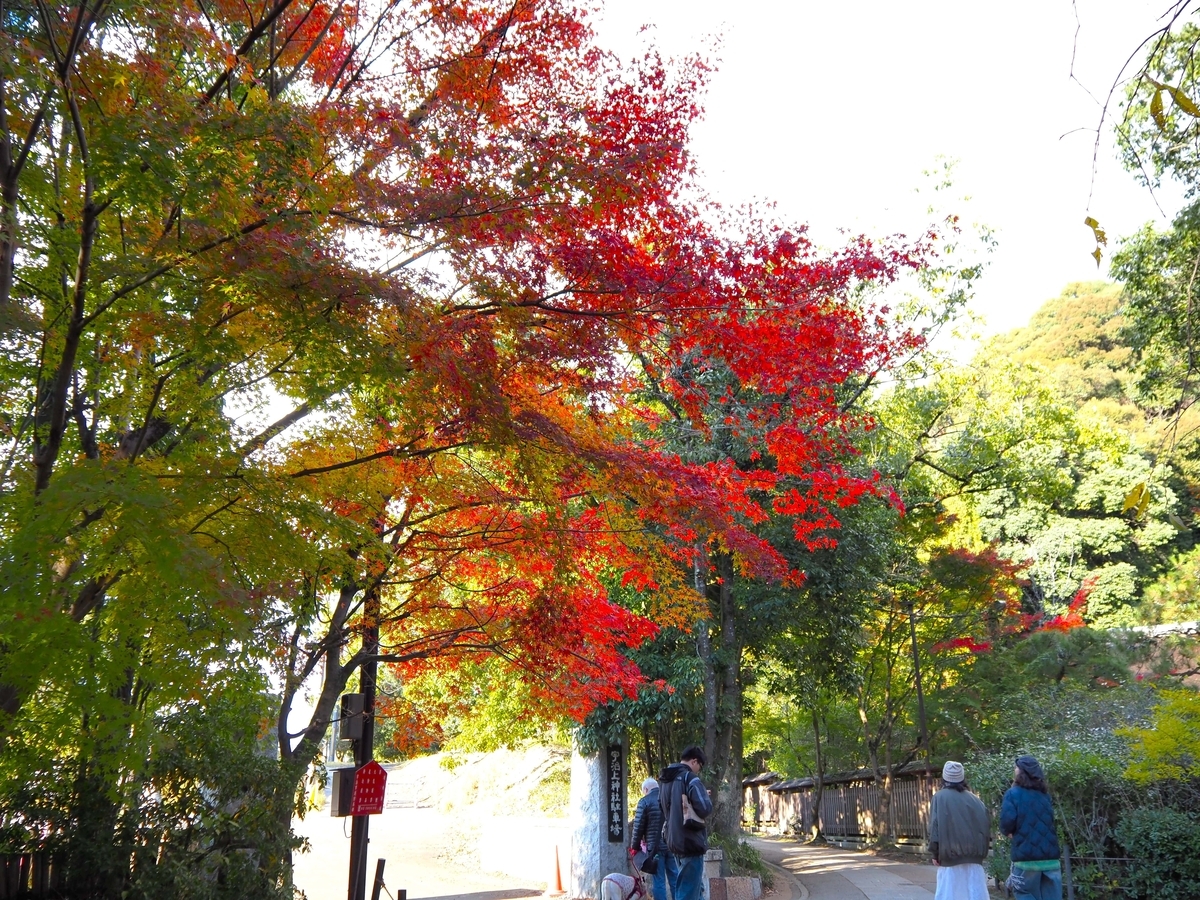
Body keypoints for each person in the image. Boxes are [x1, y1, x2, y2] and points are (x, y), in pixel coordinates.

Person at [1000, 755, 1063, 900]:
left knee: (1024, 894)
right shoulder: (1045, 795)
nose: (1014, 770)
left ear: (1021, 772)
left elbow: (1006, 823)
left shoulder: (1012, 794)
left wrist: (1010, 833)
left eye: (1016, 767)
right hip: (1051, 859)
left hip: (1025, 859)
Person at [926, 761, 990, 900]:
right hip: (975, 858)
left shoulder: (939, 797)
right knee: (974, 894)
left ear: (944, 778)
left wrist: (934, 852)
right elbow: (985, 828)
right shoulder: (976, 800)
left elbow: (934, 827)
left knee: (950, 894)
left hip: (950, 857)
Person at [658, 747, 712, 900]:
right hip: (690, 841)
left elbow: (661, 807)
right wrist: (704, 796)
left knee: (695, 889)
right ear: (694, 761)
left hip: (673, 840)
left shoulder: (664, 780)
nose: (698, 771)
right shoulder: (690, 778)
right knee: (688, 892)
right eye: (699, 766)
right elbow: (705, 808)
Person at [631, 776, 667, 900]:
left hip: (655, 848)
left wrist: (634, 848)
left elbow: (638, 828)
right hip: (672, 846)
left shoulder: (644, 802)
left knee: (659, 881)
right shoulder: (668, 798)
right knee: (675, 878)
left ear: (646, 789)